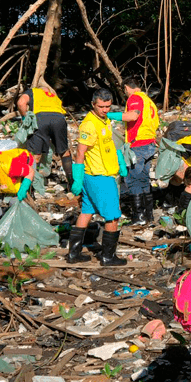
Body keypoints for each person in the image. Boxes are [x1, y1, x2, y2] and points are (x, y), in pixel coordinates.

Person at [68, 89, 128, 265]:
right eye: (101, 106)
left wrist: (120, 161)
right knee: (113, 216)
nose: (105, 110)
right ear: (93, 104)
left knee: (87, 211)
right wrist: (77, 178)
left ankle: (74, 254)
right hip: (99, 177)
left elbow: (109, 144)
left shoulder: (105, 120)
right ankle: (108, 256)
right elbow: (80, 152)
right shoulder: (89, 125)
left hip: (96, 176)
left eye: (108, 106)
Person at [107, 78, 160, 226]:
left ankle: (138, 217)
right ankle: (148, 214)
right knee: (143, 180)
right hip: (149, 143)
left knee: (133, 180)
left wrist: (109, 116)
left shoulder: (135, 98)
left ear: (126, 87)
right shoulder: (149, 101)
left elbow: (133, 116)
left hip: (138, 144)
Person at [16, 85, 73, 188]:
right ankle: (72, 184)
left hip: (40, 119)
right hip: (59, 119)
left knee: (35, 156)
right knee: (64, 152)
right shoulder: (54, 97)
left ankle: (29, 188)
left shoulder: (33, 91)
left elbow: (21, 103)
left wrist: (25, 116)